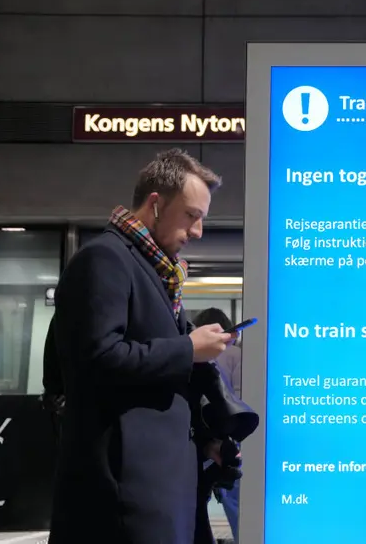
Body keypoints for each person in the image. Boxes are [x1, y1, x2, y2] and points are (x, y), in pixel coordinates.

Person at [48, 149, 237, 544]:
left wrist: (207, 444)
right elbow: (97, 359)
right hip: (123, 496)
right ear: (155, 205)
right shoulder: (104, 259)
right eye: (191, 215)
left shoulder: (154, 270)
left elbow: (152, 387)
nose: (198, 231)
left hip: (158, 487)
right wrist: (188, 349)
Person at [193, 307, 243, 543]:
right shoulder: (237, 355)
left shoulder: (197, 356)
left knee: (199, 501)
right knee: (234, 500)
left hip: (202, 437)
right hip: (231, 437)